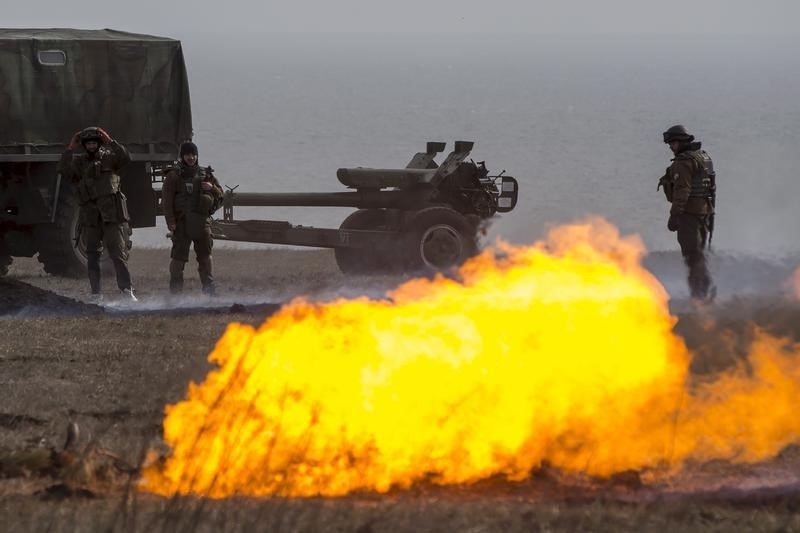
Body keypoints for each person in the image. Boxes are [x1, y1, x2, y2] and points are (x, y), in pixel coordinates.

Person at [58, 127, 136, 302]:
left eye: (94, 143)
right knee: (92, 255)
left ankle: (126, 290)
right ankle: (96, 293)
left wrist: (110, 140)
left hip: (111, 216)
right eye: (88, 143)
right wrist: (70, 147)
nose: (91, 146)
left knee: (117, 252)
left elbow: (126, 157)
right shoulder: (79, 163)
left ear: (99, 144)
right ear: (84, 146)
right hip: (91, 218)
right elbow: (63, 169)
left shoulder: (109, 159)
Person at [658, 125, 716, 301]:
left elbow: (682, 191)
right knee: (699, 254)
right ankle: (704, 291)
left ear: (681, 142)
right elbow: (711, 187)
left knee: (692, 255)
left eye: (673, 143)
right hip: (705, 212)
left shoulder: (683, 163)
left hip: (689, 215)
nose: (671, 147)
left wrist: (674, 216)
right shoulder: (703, 156)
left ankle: (698, 295)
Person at [162, 142, 223, 295]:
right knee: (178, 259)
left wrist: (212, 188)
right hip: (181, 224)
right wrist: (171, 221)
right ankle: (175, 294)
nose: (191, 157)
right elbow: (167, 201)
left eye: (193, 154)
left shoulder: (206, 175)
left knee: (205, 257)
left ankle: (209, 290)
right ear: (182, 156)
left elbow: (221, 196)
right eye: (187, 154)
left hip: (202, 223)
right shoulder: (173, 175)